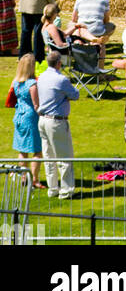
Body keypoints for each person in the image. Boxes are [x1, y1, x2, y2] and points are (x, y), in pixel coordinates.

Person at [36, 50, 78, 199]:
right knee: (64, 157)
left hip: (42, 120)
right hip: (56, 121)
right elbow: (75, 95)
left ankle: (52, 188)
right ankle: (66, 190)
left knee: (49, 157)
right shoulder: (61, 79)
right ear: (59, 63)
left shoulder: (41, 77)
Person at [11, 54, 44, 186]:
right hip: (31, 118)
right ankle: (34, 179)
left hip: (19, 115)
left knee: (22, 150)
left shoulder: (16, 82)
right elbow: (36, 105)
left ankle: (23, 177)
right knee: (37, 149)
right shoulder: (32, 84)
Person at [70, 0, 116, 65]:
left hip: (82, 30)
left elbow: (73, 18)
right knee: (111, 26)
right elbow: (107, 20)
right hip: (97, 30)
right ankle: (98, 41)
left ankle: (89, 43)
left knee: (71, 24)